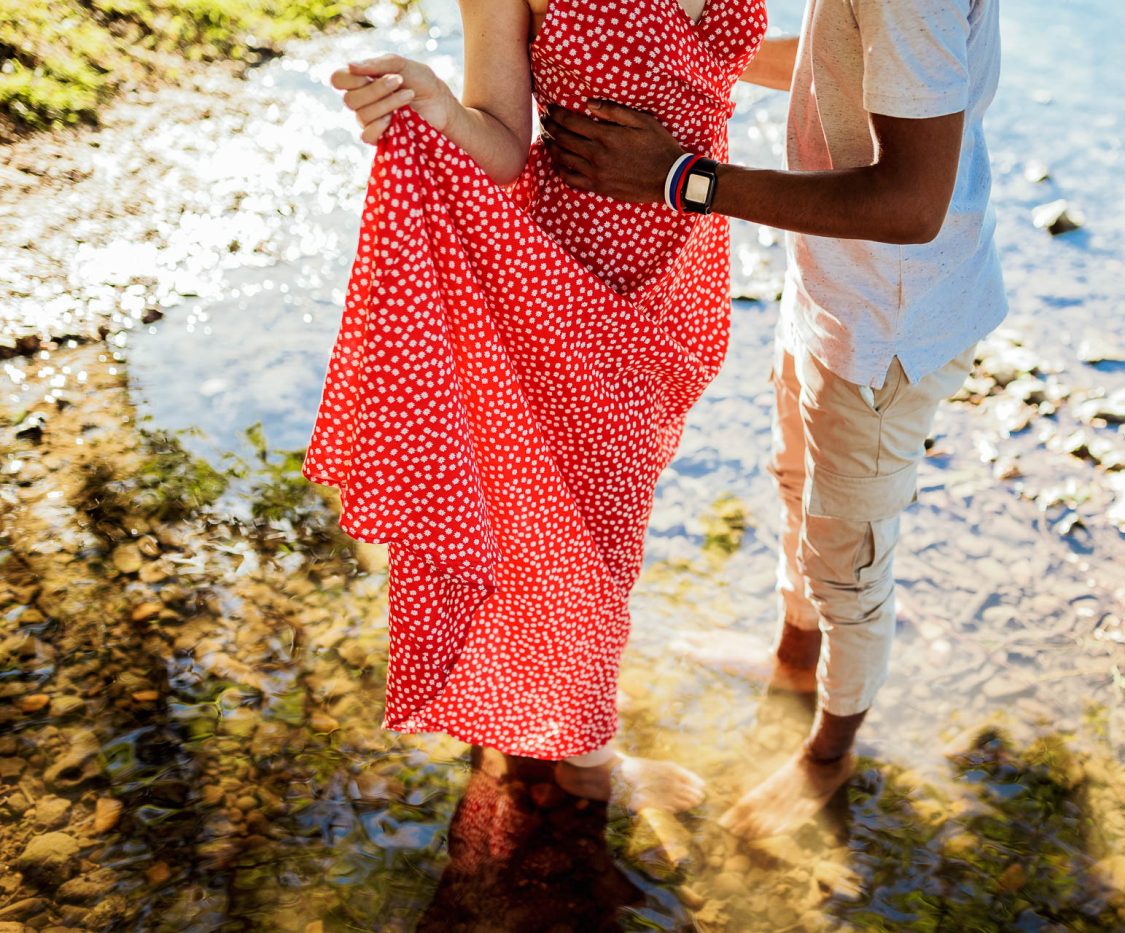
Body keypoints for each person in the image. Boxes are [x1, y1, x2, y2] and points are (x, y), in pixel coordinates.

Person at [544, 0, 1007, 837]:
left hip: (888, 323)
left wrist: (680, 177)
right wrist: (679, 52)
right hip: (835, 284)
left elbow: (912, 204)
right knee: (797, 483)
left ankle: (831, 753)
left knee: (852, 565)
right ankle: (794, 664)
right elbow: (837, 64)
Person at [305, 0, 766, 810]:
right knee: (594, 540)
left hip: (682, 271)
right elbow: (507, 147)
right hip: (565, 285)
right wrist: (441, 110)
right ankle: (585, 765)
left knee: (582, 516)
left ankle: (515, 709)